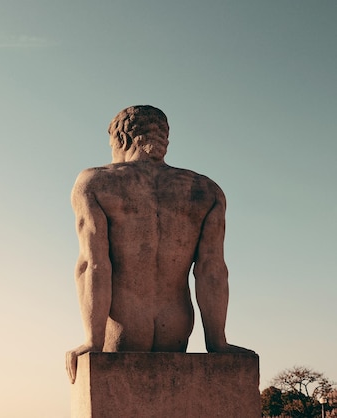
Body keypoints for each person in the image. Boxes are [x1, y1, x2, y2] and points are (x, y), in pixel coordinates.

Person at [66, 105, 253, 384]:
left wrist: (93, 341)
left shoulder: (96, 182)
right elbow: (212, 270)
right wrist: (218, 342)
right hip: (176, 325)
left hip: (123, 325)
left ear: (122, 140)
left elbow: (93, 265)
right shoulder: (207, 191)